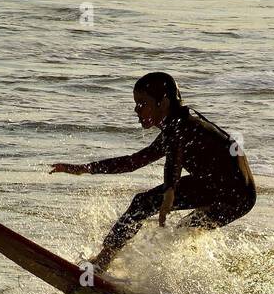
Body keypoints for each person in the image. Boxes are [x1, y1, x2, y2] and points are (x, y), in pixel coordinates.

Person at [50, 72, 257, 272]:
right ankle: (170, 279)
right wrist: (85, 169)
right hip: (238, 195)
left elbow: (174, 159)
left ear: (163, 102)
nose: (136, 110)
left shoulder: (181, 126)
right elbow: (134, 162)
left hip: (229, 190)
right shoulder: (180, 124)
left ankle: (102, 262)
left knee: (142, 203)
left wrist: (170, 190)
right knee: (184, 231)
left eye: (142, 104)